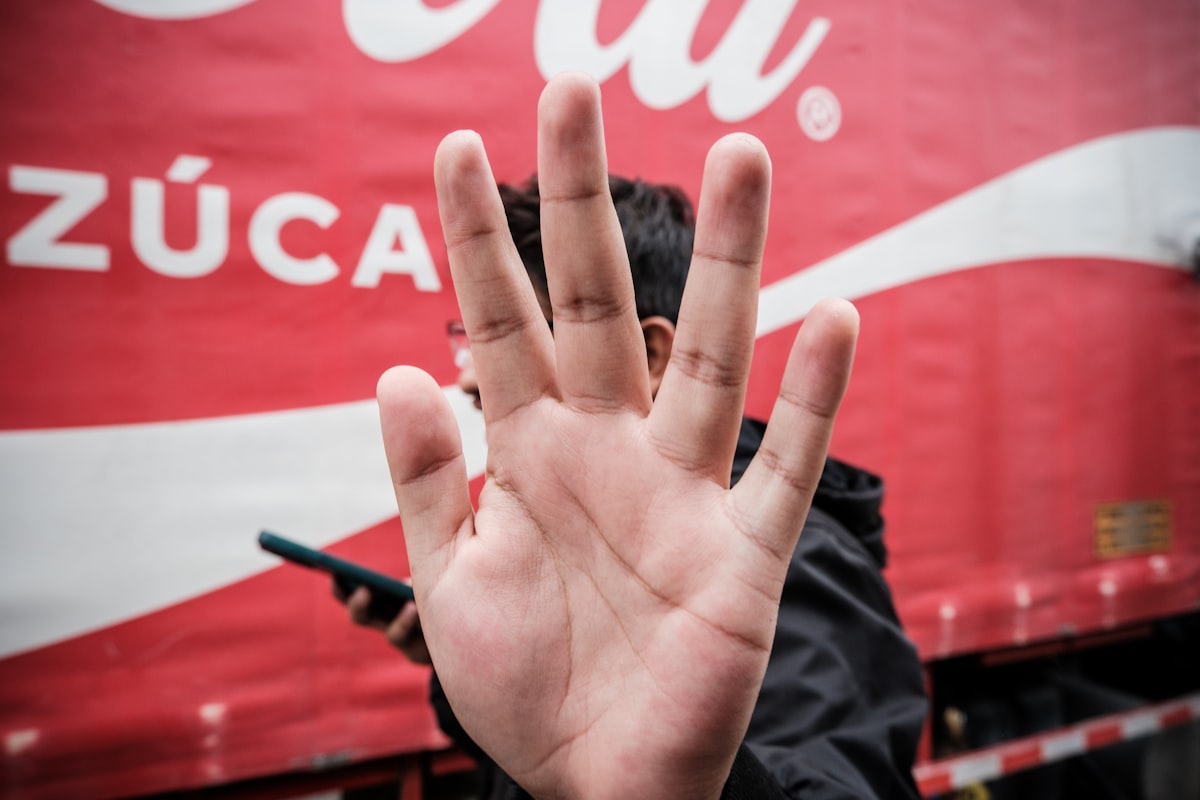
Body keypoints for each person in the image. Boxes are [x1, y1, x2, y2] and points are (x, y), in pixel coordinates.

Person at [348, 72, 926, 799]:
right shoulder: (559, 550)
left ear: (651, 355)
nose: (468, 379)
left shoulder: (791, 565)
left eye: (513, 340)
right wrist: (477, 693)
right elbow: (567, 741)